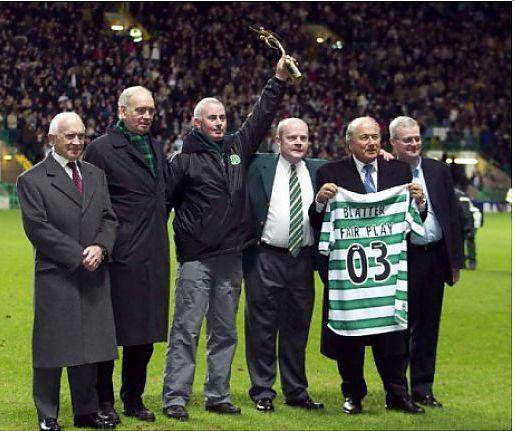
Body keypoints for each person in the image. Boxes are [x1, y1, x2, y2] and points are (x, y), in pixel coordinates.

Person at [162, 55, 292, 421]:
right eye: (212, 118)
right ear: (196, 122)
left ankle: (217, 394)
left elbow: (262, 116)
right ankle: (175, 397)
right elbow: (163, 206)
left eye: (222, 118)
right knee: (186, 330)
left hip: (231, 257)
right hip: (196, 259)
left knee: (224, 332)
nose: (219, 123)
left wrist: (277, 79)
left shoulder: (237, 149)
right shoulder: (181, 160)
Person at [309, 116, 425, 415]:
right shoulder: (329, 173)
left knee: (393, 337)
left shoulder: (399, 171)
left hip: (388, 275)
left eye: (375, 137)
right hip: (349, 275)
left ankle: (397, 394)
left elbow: (412, 221)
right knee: (350, 337)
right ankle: (353, 394)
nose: (372, 143)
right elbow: (318, 221)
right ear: (350, 143)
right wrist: (321, 202)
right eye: (364, 138)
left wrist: (419, 204)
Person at [17, 112, 118, 431]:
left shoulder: (95, 175)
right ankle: (48, 414)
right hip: (56, 274)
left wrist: (101, 247)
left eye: (80, 136)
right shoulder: (31, 179)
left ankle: (86, 411)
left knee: (89, 346)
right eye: (69, 136)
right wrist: (78, 255)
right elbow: (38, 229)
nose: (76, 142)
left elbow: (109, 219)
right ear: (51, 140)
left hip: (93, 271)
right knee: (51, 348)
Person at [83, 86, 170, 423]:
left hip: (154, 254)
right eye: (140, 110)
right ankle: (103, 400)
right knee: (111, 335)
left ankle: (133, 399)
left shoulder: (157, 148)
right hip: (117, 257)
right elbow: (89, 205)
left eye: (150, 110)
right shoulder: (101, 150)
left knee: (144, 336)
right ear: (122, 111)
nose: (146, 116)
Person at [243, 118, 325, 413]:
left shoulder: (320, 169)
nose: (299, 142)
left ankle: (296, 390)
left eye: (303, 137)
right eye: (292, 138)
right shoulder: (257, 165)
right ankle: (262, 390)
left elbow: (354, 168)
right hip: (264, 256)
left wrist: (384, 155)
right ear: (278, 141)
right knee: (261, 326)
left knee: (297, 326)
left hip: (302, 257)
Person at [389, 116, 463, 407]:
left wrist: (455, 261)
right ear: (394, 143)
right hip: (403, 258)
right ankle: (398, 388)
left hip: (435, 257)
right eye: (407, 140)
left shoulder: (438, 170)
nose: (414, 143)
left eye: (417, 138)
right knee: (401, 327)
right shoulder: (388, 172)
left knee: (429, 326)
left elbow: (452, 218)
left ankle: (423, 387)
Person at [454, 186, 477, 270]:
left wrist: (468, 226)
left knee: (469, 240)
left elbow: (466, 212)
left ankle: (471, 261)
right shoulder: (460, 193)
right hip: (464, 220)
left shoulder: (456, 194)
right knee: (461, 241)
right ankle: (463, 261)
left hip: (469, 220)